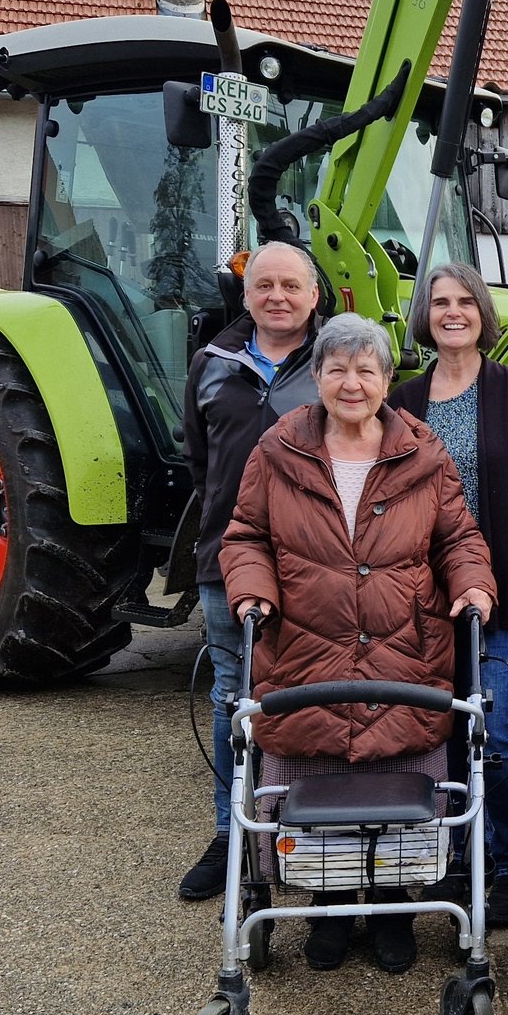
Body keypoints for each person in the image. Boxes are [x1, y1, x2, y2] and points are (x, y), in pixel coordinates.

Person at [219, 313, 496, 974]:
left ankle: (395, 906)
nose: (351, 382)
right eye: (337, 368)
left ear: (386, 380)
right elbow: (246, 536)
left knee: (398, 777)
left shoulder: (423, 454)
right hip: (307, 647)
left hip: (403, 647)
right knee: (321, 780)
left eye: (366, 369)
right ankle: (329, 904)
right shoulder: (277, 451)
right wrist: (252, 589)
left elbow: (458, 537)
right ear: (315, 376)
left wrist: (474, 585)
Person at [391, 262, 508, 929]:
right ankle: (456, 856)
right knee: (435, 731)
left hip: (507, 590)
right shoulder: (406, 400)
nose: (453, 311)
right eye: (440, 302)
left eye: (466, 300)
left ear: (483, 312)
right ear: (425, 316)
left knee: (495, 730)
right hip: (423, 598)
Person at [178, 242, 324, 902]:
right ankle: (230, 837)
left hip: (313, 562)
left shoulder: (332, 366)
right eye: (264, 284)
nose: (278, 296)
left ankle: (305, 834)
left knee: (310, 698)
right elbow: (201, 467)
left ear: (314, 296)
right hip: (226, 562)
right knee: (232, 701)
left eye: (291, 285)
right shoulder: (211, 366)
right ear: (246, 294)